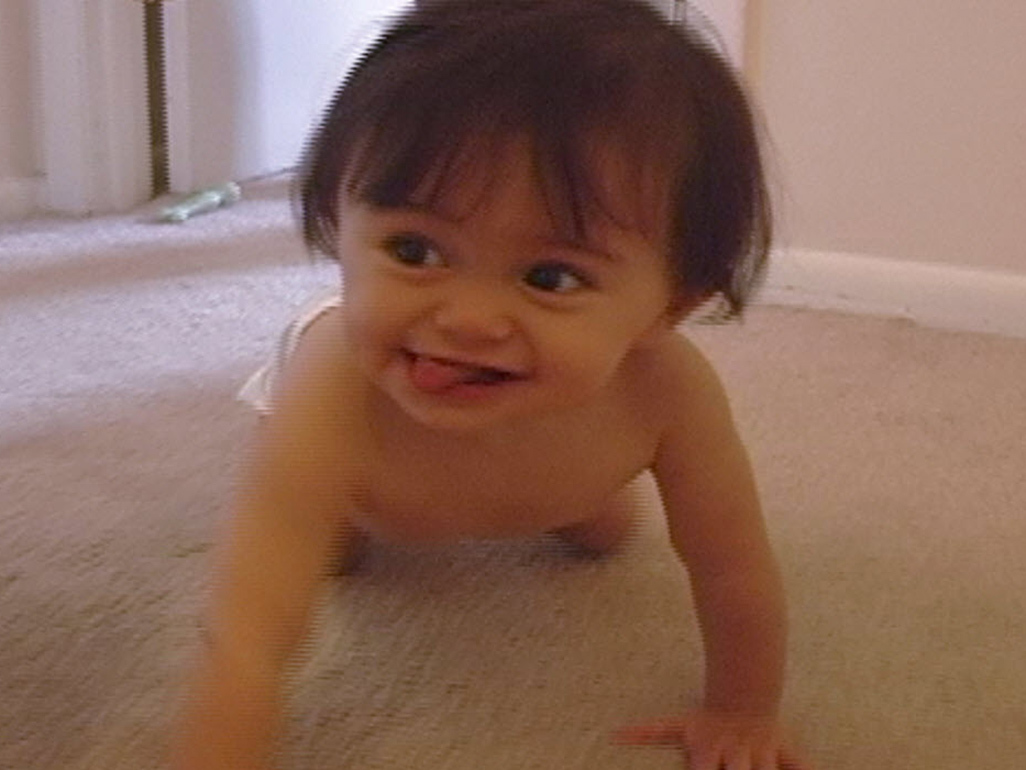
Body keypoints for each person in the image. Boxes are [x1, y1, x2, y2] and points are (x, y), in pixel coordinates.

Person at [175, 1, 812, 768]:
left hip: (573, 465)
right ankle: (354, 509)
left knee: (605, 532)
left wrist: (741, 710)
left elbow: (732, 562)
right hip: (365, 475)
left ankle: (575, 499)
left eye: (551, 275)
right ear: (336, 223)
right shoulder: (333, 384)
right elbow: (247, 636)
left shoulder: (668, 393)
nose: (469, 319)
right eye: (414, 249)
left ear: (669, 306)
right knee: (332, 549)